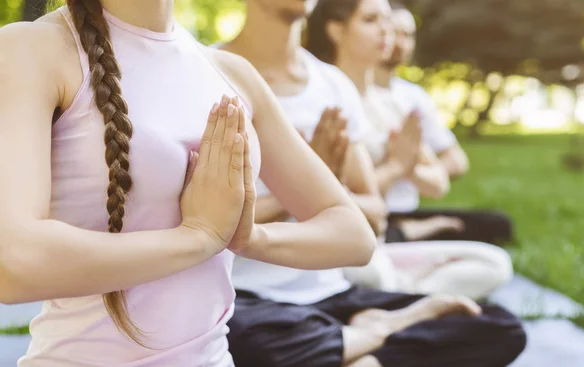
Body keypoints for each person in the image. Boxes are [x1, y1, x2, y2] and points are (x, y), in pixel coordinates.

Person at [0, 0, 380, 365]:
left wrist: (246, 237)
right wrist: (198, 236)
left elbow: (353, 235)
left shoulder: (233, 74)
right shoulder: (31, 49)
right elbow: (13, 265)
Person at [220, 1, 526, 366]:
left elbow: (375, 217)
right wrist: (310, 182)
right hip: (251, 300)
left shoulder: (331, 85)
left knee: (498, 326)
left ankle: (346, 348)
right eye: (370, 19)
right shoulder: (208, 72)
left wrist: (323, 187)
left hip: (331, 294)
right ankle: (359, 344)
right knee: (249, 342)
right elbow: (210, 222)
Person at [306, 0, 514, 300]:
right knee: (372, 272)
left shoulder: (393, 104)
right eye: (371, 20)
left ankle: (400, 298)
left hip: (385, 241)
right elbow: (322, 199)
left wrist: (407, 166)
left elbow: (438, 183)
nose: (387, 31)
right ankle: (404, 299)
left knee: (493, 264)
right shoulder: (321, 99)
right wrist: (396, 167)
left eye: (389, 21)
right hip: (346, 243)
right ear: (336, 30)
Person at [374, 0, 514, 245]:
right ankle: (410, 232)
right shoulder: (351, 92)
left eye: (408, 35)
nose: (400, 42)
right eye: (394, 33)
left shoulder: (413, 96)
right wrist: (396, 164)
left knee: (496, 224)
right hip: (373, 208)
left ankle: (413, 230)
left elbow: (457, 162)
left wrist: (413, 161)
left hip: (408, 207)